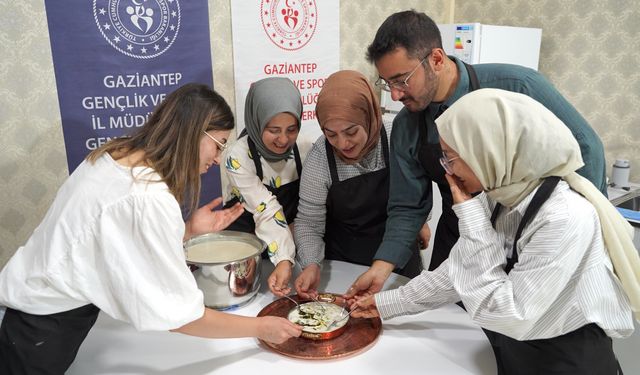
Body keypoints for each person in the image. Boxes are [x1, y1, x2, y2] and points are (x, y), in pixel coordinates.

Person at [0, 83, 302, 374]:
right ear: (193, 133)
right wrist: (261, 328)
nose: (219, 157)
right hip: (44, 326)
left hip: (32, 310)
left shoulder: (113, 156)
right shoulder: (149, 197)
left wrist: (187, 230)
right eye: (219, 143)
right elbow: (181, 316)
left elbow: (116, 241)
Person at [352, 88, 639, 374]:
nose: (447, 170)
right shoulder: (503, 194)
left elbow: (510, 314)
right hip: (517, 353)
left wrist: (470, 213)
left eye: (450, 157)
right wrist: (384, 304)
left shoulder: (563, 216)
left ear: (486, 151)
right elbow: (460, 269)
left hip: (567, 362)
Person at [345, 10, 608, 299]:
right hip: (460, 234)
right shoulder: (407, 125)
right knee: (448, 326)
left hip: (531, 235)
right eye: (386, 83)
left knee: (518, 327)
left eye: (402, 80)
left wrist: (575, 234)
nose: (394, 95)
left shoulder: (518, 87)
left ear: (435, 59)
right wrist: (382, 268)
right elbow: (407, 205)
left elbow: (586, 149)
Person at [294, 70, 423, 299]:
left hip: (398, 262)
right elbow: (308, 223)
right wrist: (311, 264)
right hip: (344, 267)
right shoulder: (320, 156)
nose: (342, 143)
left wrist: (421, 222)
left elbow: (417, 194)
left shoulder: (397, 136)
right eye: (331, 134)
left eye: (351, 131)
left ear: (369, 117)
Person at [222, 77, 308, 297]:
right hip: (246, 247)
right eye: (273, 130)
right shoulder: (238, 156)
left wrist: (287, 255)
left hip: (288, 242)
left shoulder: (305, 149)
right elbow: (265, 208)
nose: (283, 139)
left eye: (291, 129)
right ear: (257, 120)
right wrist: (284, 258)